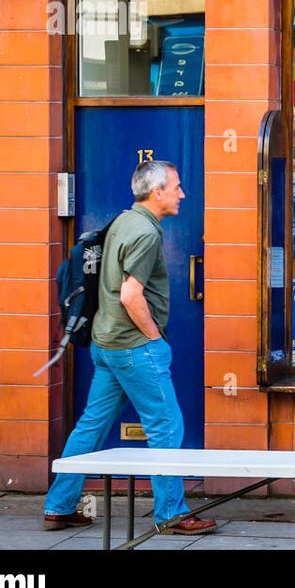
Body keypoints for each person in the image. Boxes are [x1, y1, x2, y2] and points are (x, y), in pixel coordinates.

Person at [43, 160, 216, 535]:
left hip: (106, 344)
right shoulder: (145, 233)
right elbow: (130, 294)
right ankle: (171, 512)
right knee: (167, 425)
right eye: (176, 187)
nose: (182, 194)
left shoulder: (123, 220)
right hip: (134, 347)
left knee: (91, 426)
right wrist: (154, 338)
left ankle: (58, 506)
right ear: (157, 193)